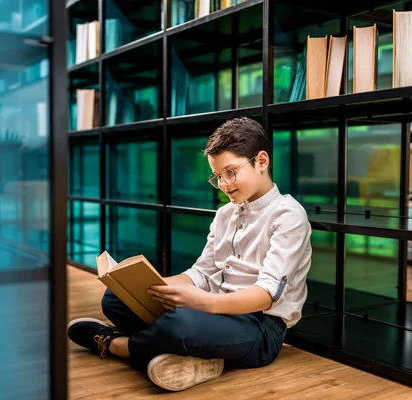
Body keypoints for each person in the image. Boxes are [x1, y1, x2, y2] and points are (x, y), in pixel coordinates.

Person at [68, 117, 312, 392]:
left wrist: (203, 303)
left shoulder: (288, 215)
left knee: (180, 323)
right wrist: (151, 285)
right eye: (217, 176)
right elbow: (202, 273)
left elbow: (267, 295)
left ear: (262, 161)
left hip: (260, 327)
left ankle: (117, 345)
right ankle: (191, 355)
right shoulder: (225, 214)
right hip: (214, 313)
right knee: (115, 299)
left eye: (230, 172)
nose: (224, 184)